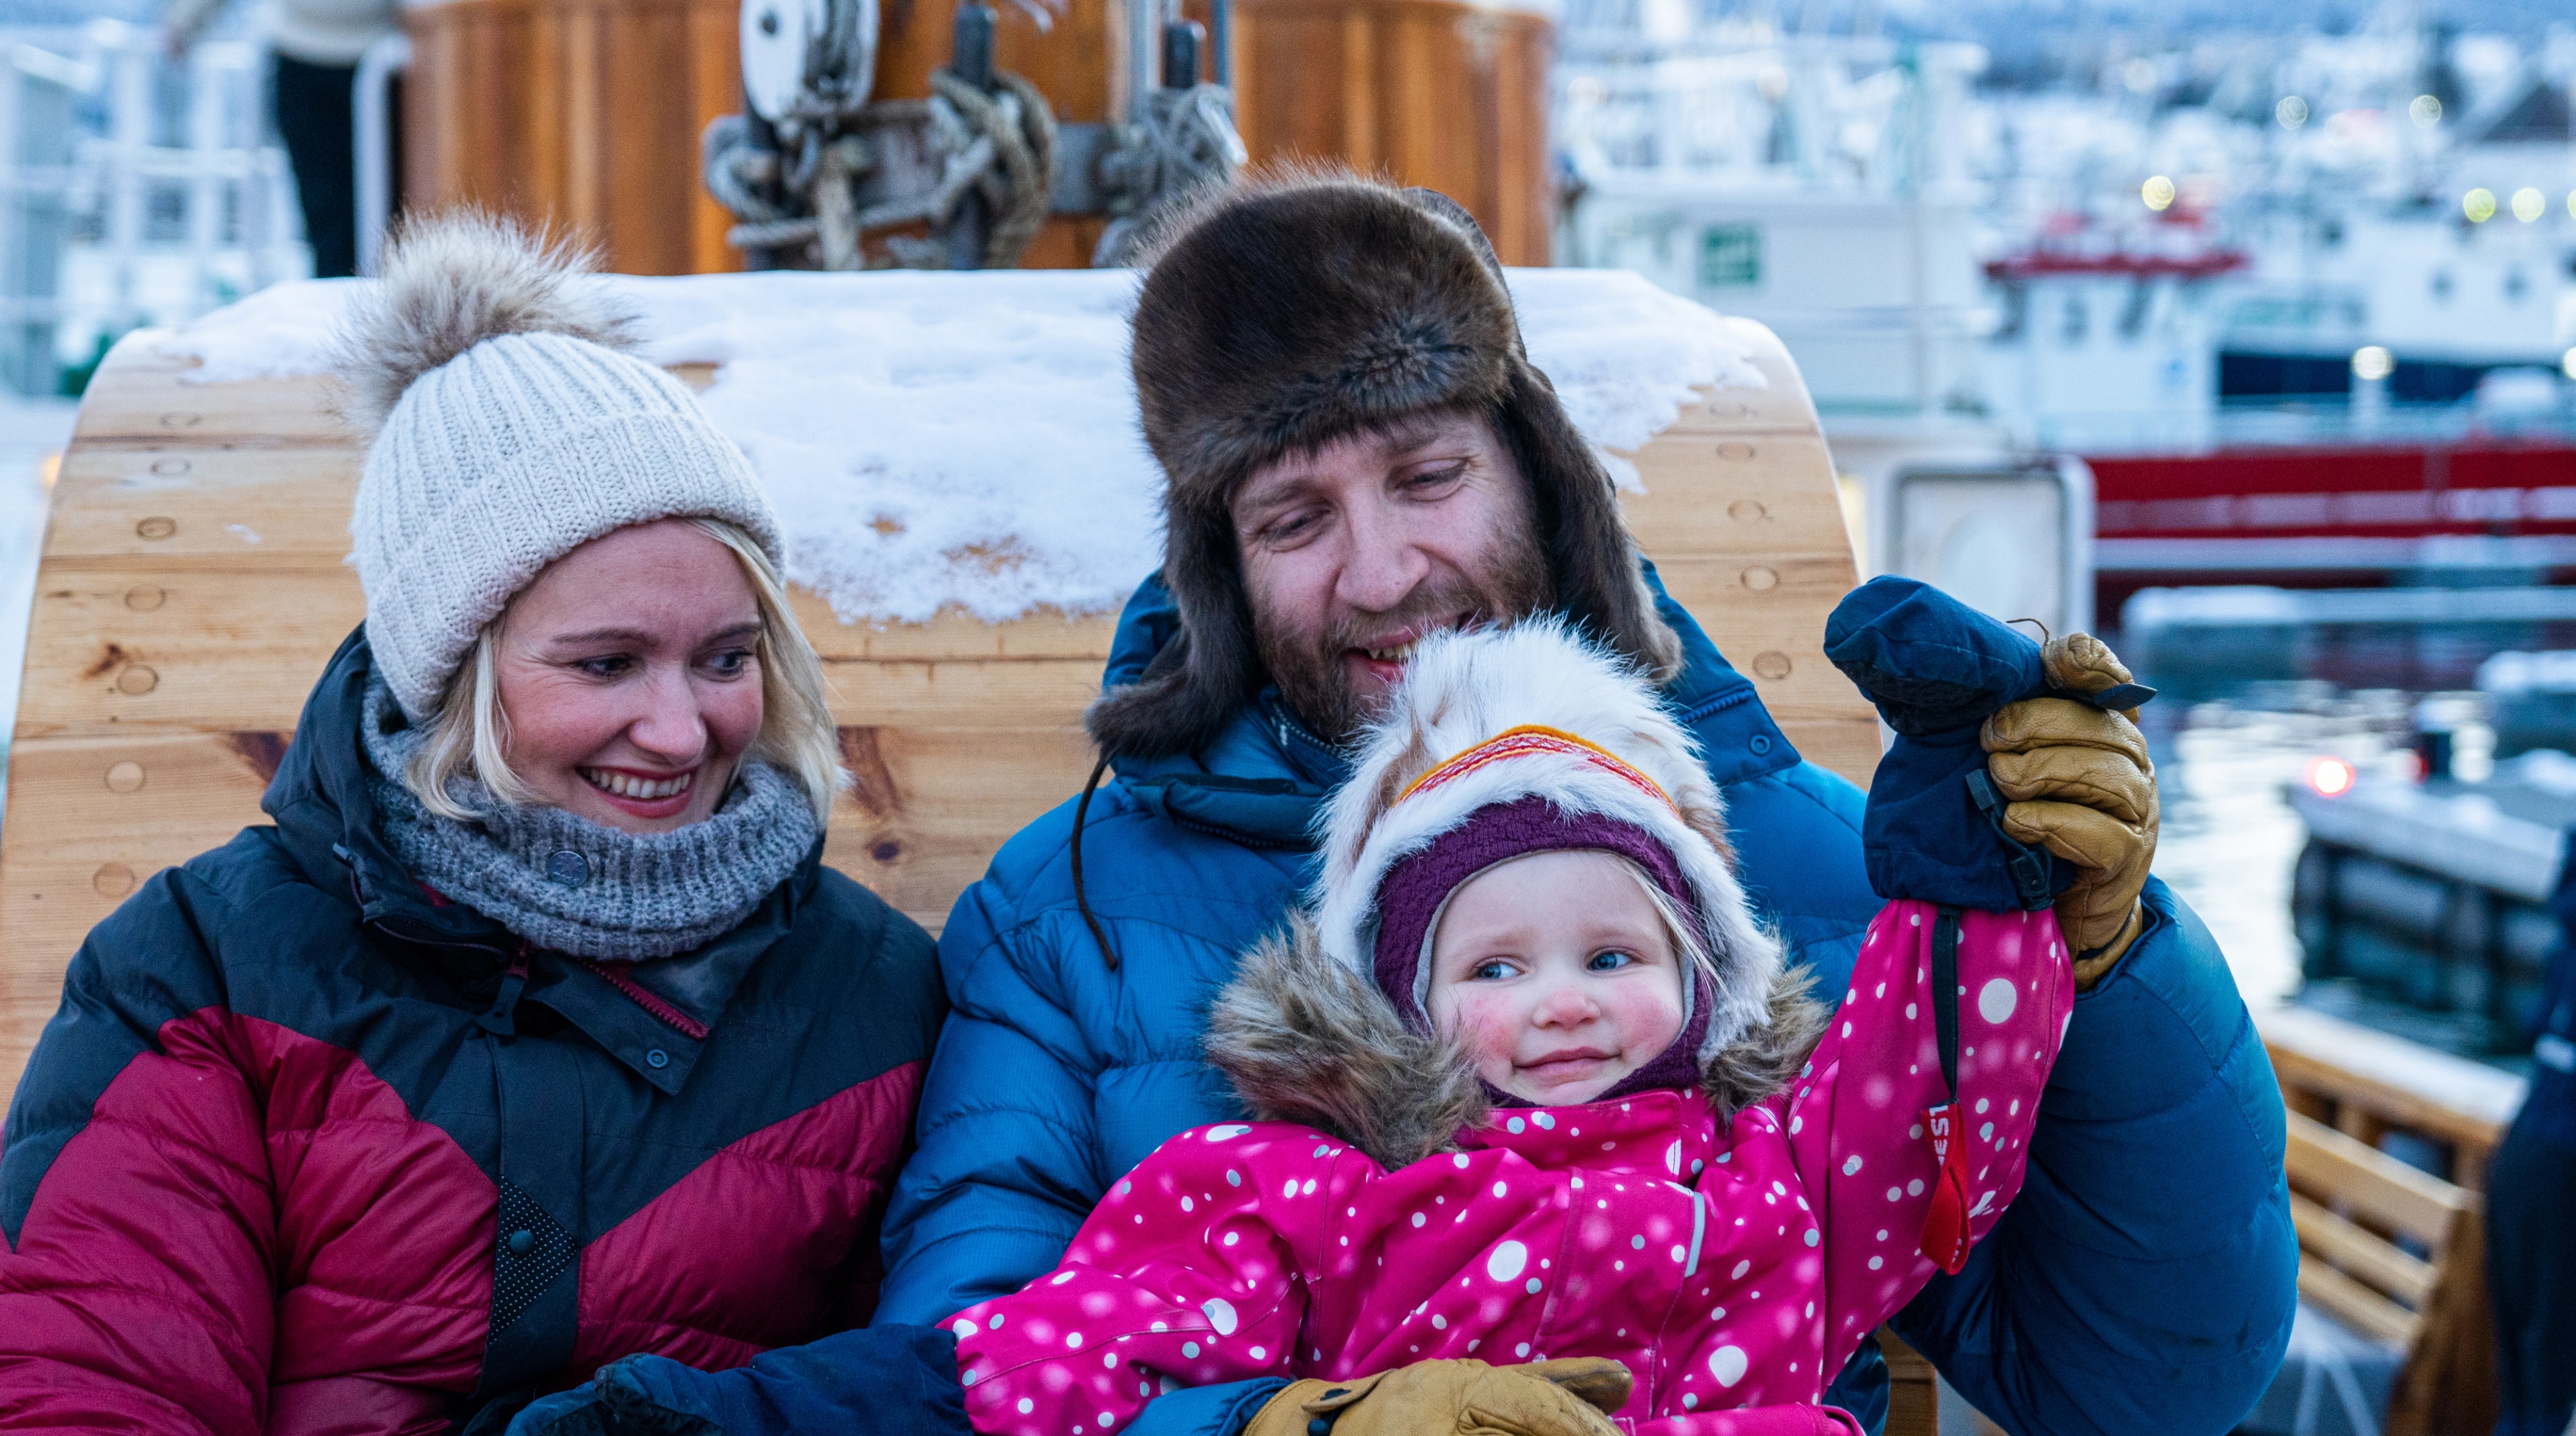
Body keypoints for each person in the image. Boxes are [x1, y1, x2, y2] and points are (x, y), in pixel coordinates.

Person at [877, 170, 2297, 1436]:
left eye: (1427, 477)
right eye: (1293, 521)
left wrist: (2105, 965)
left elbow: (2139, 1382)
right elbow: (957, 1365)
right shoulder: (1070, 919)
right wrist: (1287, 1424)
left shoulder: (1790, 861)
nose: (1380, 576)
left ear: (1539, 482)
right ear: (1223, 577)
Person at [0, 213, 951, 1432]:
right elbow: (97, 1382)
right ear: (453, 678)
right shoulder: (202, 967)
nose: (680, 729)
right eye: (606, 666)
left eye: (725, 657)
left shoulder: (870, 992)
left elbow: (956, 1377)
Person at [943, 599, 2080, 1436]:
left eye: (1613, 953)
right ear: (1403, 1010)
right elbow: (1082, 1344)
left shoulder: (1785, 1176)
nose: (1564, 1002)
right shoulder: (1316, 1197)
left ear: (1700, 974)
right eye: (1494, 970)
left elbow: (1937, 1068)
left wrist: (1972, 853)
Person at [164, 0, 397, 277]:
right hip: (304, 60)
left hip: (396, 60)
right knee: (328, 222)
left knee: (395, 221)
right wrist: (185, 21)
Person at [2489, 861, 2576, 1436]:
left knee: (2525, 1376)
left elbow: (2535, 1020)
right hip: (2560, 1148)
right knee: (2545, 1374)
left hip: (2529, 1140)